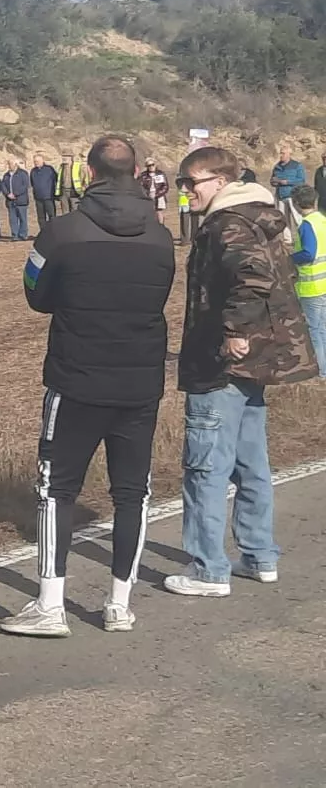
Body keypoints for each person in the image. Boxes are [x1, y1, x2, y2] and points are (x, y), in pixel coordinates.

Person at [0, 135, 175, 638]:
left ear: (89, 173)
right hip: (140, 380)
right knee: (132, 494)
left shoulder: (61, 232)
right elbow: (159, 295)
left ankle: (50, 604)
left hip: (75, 378)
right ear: (137, 171)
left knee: (57, 490)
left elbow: (35, 292)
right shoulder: (161, 237)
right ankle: (120, 602)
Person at [165, 145, 317, 599]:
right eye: (182, 184)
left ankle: (209, 568)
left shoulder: (228, 224)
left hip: (223, 363)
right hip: (258, 363)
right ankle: (259, 555)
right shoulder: (258, 215)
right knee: (251, 462)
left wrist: (235, 330)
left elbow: (252, 276)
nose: (186, 191)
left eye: (191, 182)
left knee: (206, 464)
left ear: (221, 180)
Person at [293, 187, 326, 370]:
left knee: (314, 330)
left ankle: (321, 370)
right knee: (323, 328)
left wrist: (288, 259)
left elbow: (308, 253)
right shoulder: (322, 220)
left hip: (311, 286)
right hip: (324, 283)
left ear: (296, 205)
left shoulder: (307, 225)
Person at [272, 145, 305, 228]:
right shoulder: (277, 167)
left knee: (297, 219)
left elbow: (301, 180)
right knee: (284, 220)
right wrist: (273, 182)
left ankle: (302, 237)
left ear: (289, 154)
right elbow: (272, 179)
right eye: (280, 153)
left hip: (293, 196)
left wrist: (287, 182)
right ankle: (287, 240)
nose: (281, 155)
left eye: (283, 153)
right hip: (281, 196)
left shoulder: (297, 166)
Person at [4, 158, 32, 241]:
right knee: (13, 219)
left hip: (21, 200)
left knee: (23, 218)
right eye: (8, 164)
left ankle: (23, 235)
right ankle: (15, 235)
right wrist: (7, 194)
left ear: (16, 165)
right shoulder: (6, 175)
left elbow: (25, 186)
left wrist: (15, 194)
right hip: (10, 201)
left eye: (10, 164)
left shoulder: (23, 173)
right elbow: (3, 185)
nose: (9, 166)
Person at [31, 153, 59, 229]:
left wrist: (56, 193)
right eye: (35, 161)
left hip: (48, 197)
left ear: (42, 161)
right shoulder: (33, 171)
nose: (36, 163)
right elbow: (32, 183)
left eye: (37, 161)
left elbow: (57, 180)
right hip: (38, 198)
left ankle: (53, 231)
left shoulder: (49, 169)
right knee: (41, 217)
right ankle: (43, 233)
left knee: (52, 215)